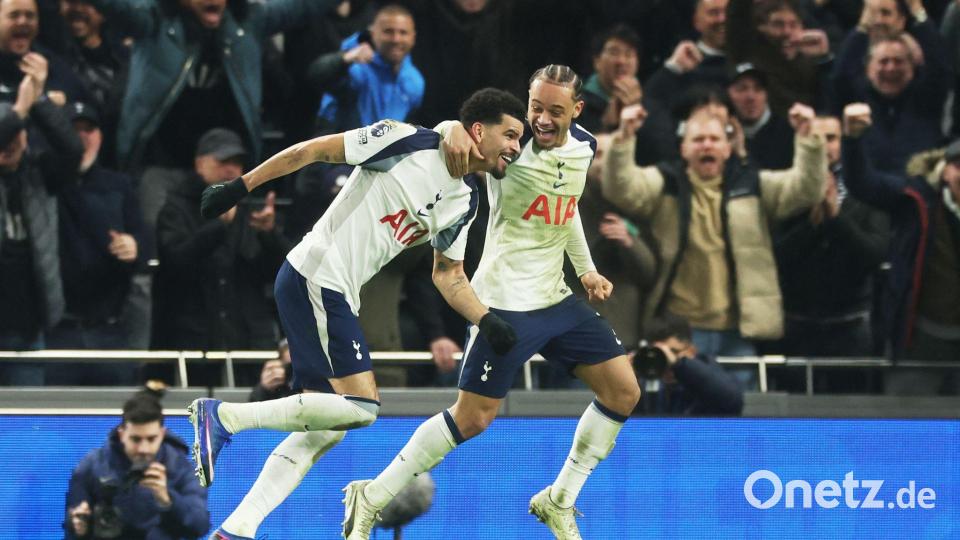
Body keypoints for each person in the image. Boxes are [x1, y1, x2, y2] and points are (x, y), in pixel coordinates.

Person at [189, 87, 526, 540]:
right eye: (510, 135)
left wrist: (486, 320)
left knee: (327, 428)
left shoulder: (465, 202)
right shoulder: (406, 140)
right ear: (479, 130)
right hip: (315, 274)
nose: (515, 148)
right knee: (362, 408)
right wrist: (241, 186)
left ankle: (237, 529)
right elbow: (311, 151)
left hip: (339, 291)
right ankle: (224, 416)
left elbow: (448, 275)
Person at [342, 65, 640, 540]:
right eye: (535, 107)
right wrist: (451, 127)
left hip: (556, 298)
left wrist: (584, 270)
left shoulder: (586, 146)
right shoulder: (508, 148)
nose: (540, 119)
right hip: (502, 303)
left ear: (577, 111)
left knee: (624, 392)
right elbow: (454, 136)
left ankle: (558, 500)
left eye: (554, 111)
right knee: (473, 418)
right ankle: (373, 495)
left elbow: (570, 206)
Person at [601, 101, 826, 378]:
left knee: (741, 417)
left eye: (714, 139)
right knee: (682, 417)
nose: (706, 145)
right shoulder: (666, 182)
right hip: (678, 333)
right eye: (698, 140)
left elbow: (805, 190)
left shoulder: (752, 184)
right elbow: (621, 187)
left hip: (738, 331)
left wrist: (808, 139)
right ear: (684, 149)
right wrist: (623, 137)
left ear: (727, 148)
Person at [841, 103, 960, 395]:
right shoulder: (915, 201)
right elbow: (863, 184)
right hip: (918, 338)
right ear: (945, 172)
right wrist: (853, 140)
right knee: (906, 430)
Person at [152, 128, 289, 356]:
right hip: (195, 341)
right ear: (199, 164)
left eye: (237, 162)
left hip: (248, 340)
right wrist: (219, 226)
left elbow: (283, 273)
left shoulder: (253, 213)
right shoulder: (176, 209)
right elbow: (175, 263)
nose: (231, 169)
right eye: (223, 160)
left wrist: (270, 234)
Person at [47, 102, 144, 382]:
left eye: (89, 129)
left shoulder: (119, 185)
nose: (82, 137)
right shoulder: (45, 182)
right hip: (58, 329)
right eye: (73, 130)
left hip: (110, 329)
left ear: (100, 136)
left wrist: (134, 245)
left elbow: (145, 240)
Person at [0, 56, 83, 384]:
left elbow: (72, 152)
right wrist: (18, 111)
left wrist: (40, 101)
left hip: (27, 328)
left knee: (25, 427)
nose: (9, 144)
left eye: (15, 135)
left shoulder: (39, 173)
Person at [64, 393, 209, 539]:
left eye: (151, 439)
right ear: (122, 434)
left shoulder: (181, 468)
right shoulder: (92, 466)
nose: (143, 449)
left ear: (161, 434)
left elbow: (199, 527)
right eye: (136, 439)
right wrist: (78, 527)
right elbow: (72, 528)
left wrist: (168, 499)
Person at [311, 3, 423, 134]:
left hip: (385, 153)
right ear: (373, 34)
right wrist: (343, 59)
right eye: (388, 31)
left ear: (413, 37)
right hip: (340, 150)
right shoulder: (356, 68)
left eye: (403, 32)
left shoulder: (415, 81)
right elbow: (316, 76)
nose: (396, 39)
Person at [635, 313, 744, 416]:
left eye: (673, 352)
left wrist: (679, 364)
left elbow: (733, 401)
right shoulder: (645, 380)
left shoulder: (709, 371)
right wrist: (627, 377)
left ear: (691, 351)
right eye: (660, 354)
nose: (666, 362)